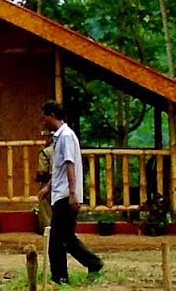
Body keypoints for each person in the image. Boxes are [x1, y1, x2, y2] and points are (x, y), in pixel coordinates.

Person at [39, 101, 103, 285]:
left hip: (66, 195)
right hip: (61, 192)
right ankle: (92, 264)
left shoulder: (66, 136)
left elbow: (70, 165)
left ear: (51, 115)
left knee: (56, 241)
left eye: (44, 116)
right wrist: (48, 187)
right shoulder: (60, 137)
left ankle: (60, 278)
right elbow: (60, 168)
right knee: (66, 237)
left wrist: (73, 193)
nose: (42, 121)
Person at [36, 132, 54, 234]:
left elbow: (42, 170)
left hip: (48, 183)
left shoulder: (45, 152)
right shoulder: (63, 151)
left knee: (45, 209)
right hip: (63, 184)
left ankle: (47, 232)